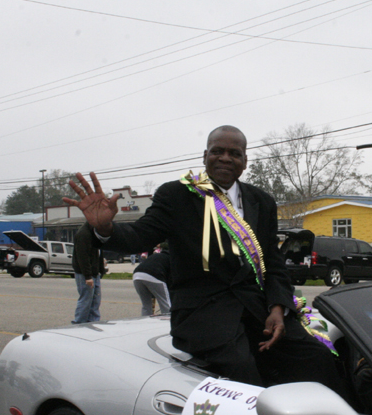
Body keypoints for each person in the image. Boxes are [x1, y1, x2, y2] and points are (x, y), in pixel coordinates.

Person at [64, 125, 343, 392]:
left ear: (244, 161)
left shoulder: (262, 201)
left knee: (318, 358)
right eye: (217, 151)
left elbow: (272, 262)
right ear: (205, 157)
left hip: (257, 309)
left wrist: (277, 307)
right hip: (203, 314)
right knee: (243, 373)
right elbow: (140, 236)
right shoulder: (176, 195)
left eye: (234, 153)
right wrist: (104, 228)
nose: (225, 158)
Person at [72, 223, 106, 324]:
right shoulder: (84, 234)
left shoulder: (96, 234)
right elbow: (82, 256)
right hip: (85, 274)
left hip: (95, 273)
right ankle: (79, 323)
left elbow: (99, 253)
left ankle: (93, 322)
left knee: (96, 300)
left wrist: (101, 269)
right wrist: (87, 276)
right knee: (86, 300)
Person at [133, 250, 172, 316]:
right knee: (165, 304)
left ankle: (145, 323)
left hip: (137, 275)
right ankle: (168, 323)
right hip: (154, 275)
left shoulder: (157, 256)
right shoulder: (171, 259)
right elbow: (171, 279)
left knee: (146, 305)